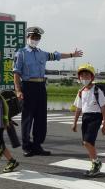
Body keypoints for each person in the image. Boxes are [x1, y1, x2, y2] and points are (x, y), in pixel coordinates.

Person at [13, 26, 83, 157]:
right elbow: (16, 73)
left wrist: (72, 54)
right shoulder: (21, 53)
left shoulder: (42, 53)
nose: (35, 39)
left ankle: (37, 145)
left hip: (41, 87)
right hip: (28, 86)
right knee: (28, 118)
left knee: (41, 118)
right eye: (33, 37)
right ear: (27, 37)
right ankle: (27, 146)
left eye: (37, 38)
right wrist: (18, 90)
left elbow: (56, 56)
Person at [71, 63, 105, 177]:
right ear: (79, 78)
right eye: (82, 76)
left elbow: (103, 108)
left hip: (95, 117)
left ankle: (96, 163)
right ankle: (96, 162)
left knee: (88, 141)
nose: (84, 78)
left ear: (92, 77)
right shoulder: (81, 92)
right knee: (86, 143)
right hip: (86, 117)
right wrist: (74, 123)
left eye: (87, 75)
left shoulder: (97, 90)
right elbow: (78, 108)